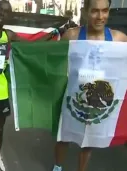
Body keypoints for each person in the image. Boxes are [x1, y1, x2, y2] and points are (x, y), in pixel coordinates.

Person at [0, 1, 57, 171]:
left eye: (6, 12)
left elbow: (30, 45)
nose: (2, 13)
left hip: (0, 93)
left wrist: (53, 34)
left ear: (9, 17)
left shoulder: (9, 35)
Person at [52, 0, 127, 171]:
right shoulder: (72, 36)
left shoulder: (119, 40)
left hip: (98, 100)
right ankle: (57, 167)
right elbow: (53, 62)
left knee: (89, 140)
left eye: (104, 11)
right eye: (95, 11)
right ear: (85, 11)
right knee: (63, 136)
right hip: (72, 97)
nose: (100, 17)